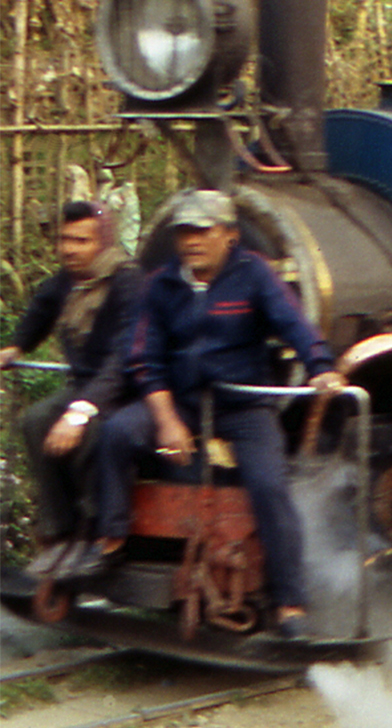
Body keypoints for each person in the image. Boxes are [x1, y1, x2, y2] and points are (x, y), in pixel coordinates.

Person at [84, 190, 343, 639]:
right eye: (184, 232)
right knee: (116, 435)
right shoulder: (160, 285)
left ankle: (290, 604)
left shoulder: (255, 275)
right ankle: (110, 542)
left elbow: (294, 324)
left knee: (269, 485)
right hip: (179, 399)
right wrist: (166, 420)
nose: (192, 241)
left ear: (229, 235)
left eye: (202, 231)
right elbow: (144, 358)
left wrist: (321, 367)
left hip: (243, 404)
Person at [0, 201, 143, 574]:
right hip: (83, 385)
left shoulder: (127, 280)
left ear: (103, 242)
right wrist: (15, 346)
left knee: (93, 432)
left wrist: (81, 411)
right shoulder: (67, 280)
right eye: (65, 240)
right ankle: (58, 532)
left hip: (123, 389)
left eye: (81, 241)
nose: (70, 249)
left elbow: (123, 357)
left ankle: (93, 529)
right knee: (35, 420)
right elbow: (41, 311)